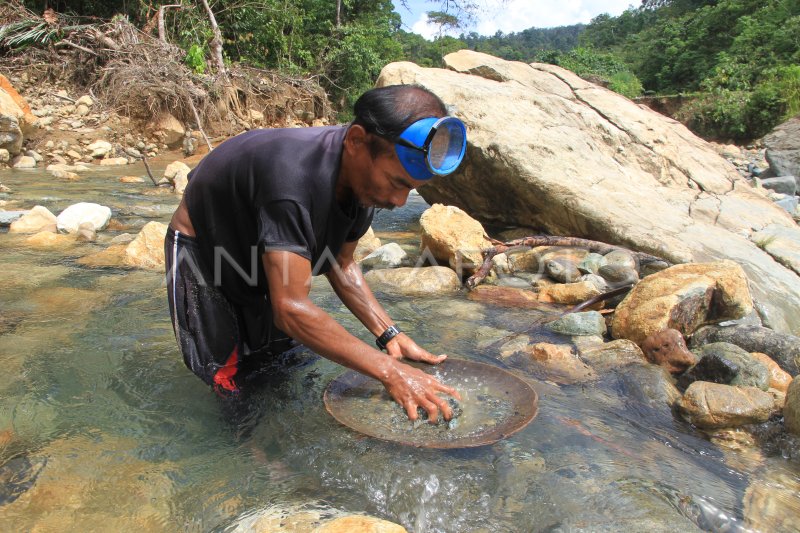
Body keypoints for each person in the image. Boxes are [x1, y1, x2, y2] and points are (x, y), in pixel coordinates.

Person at [165, 84, 467, 423]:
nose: (399, 202)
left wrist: (389, 333)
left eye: (410, 190)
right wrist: (391, 373)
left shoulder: (364, 181)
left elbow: (340, 263)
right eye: (397, 183)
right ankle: (251, 458)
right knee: (230, 382)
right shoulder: (290, 178)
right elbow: (291, 309)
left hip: (265, 248)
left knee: (283, 363)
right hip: (207, 252)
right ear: (355, 141)